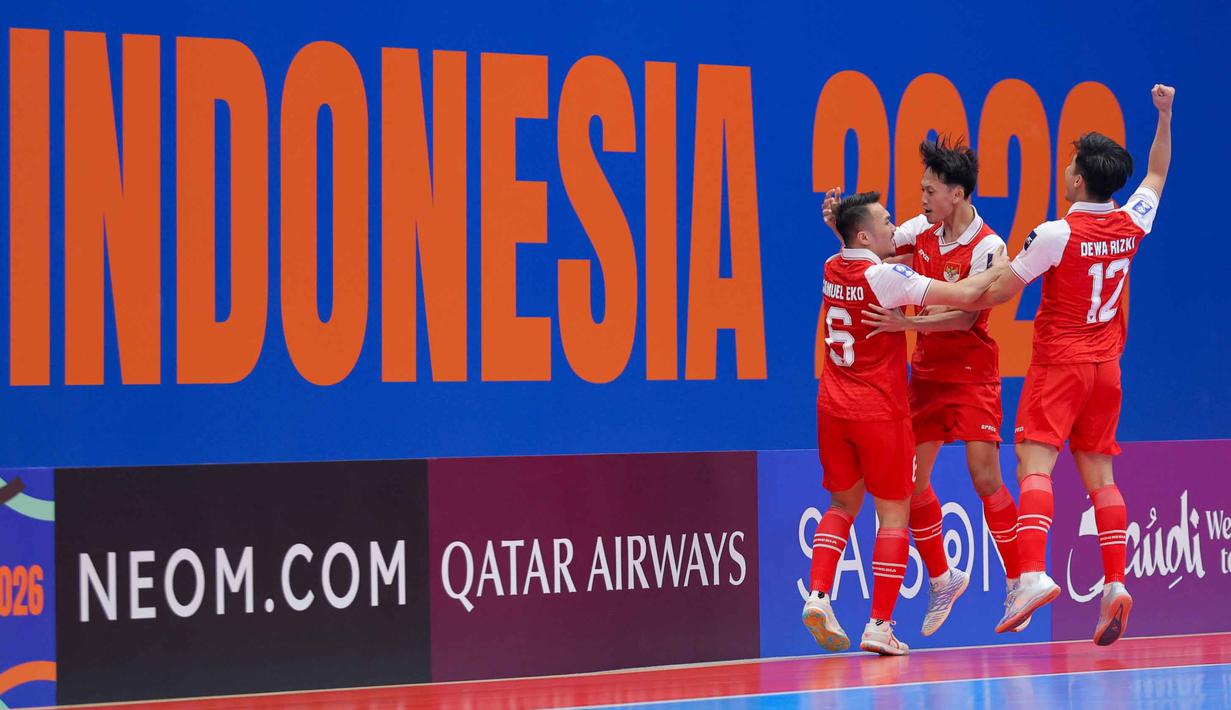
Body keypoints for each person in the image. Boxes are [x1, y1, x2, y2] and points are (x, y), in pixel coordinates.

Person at [960, 85, 1174, 645]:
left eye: (1070, 165)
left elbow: (1001, 291)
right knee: (1101, 478)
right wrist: (1165, 116)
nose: (1066, 170)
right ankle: (1114, 584)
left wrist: (953, 289)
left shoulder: (1056, 233)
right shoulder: (1131, 224)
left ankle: (1030, 573)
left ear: (1078, 179)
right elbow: (1156, 176)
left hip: (1059, 365)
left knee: (1035, 467)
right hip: (1107, 369)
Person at [824, 137, 1022, 637]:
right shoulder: (921, 230)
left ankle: (1020, 580)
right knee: (910, 486)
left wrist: (905, 325)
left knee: (984, 475)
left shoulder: (990, 246)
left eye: (929, 190)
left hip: (973, 373)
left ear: (955, 194)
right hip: (927, 376)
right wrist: (841, 226)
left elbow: (966, 316)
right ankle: (942, 578)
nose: (921, 199)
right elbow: (870, 251)